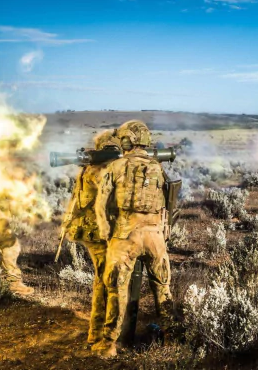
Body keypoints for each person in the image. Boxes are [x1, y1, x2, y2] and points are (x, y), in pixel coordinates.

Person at [93, 120, 174, 358]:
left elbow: (101, 204)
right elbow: (167, 203)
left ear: (126, 140)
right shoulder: (158, 168)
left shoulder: (115, 167)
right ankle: (172, 338)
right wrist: (163, 230)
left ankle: (109, 344)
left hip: (126, 235)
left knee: (117, 289)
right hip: (155, 236)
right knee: (163, 288)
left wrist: (106, 230)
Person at [62, 130, 121, 346]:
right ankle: (100, 334)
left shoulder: (90, 167)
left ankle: (97, 331)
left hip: (90, 231)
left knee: (102, 280)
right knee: (108, 281)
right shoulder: (101, 170)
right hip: (99, 233)